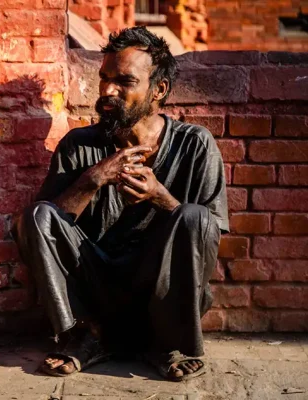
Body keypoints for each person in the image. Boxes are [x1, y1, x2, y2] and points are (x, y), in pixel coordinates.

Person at [13, 26, 228, 382]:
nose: (108, 90)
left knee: (194, 216)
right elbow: (44, 229)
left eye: (124, 81)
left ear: (158, 90)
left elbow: (211, 231)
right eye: (104, 78)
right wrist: (93, 179)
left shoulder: (195, 145)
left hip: (161, 290)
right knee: (36, 216)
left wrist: (162, 197)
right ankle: (84, 336)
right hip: (97, 290)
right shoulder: (78, 145)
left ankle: (168, 343)